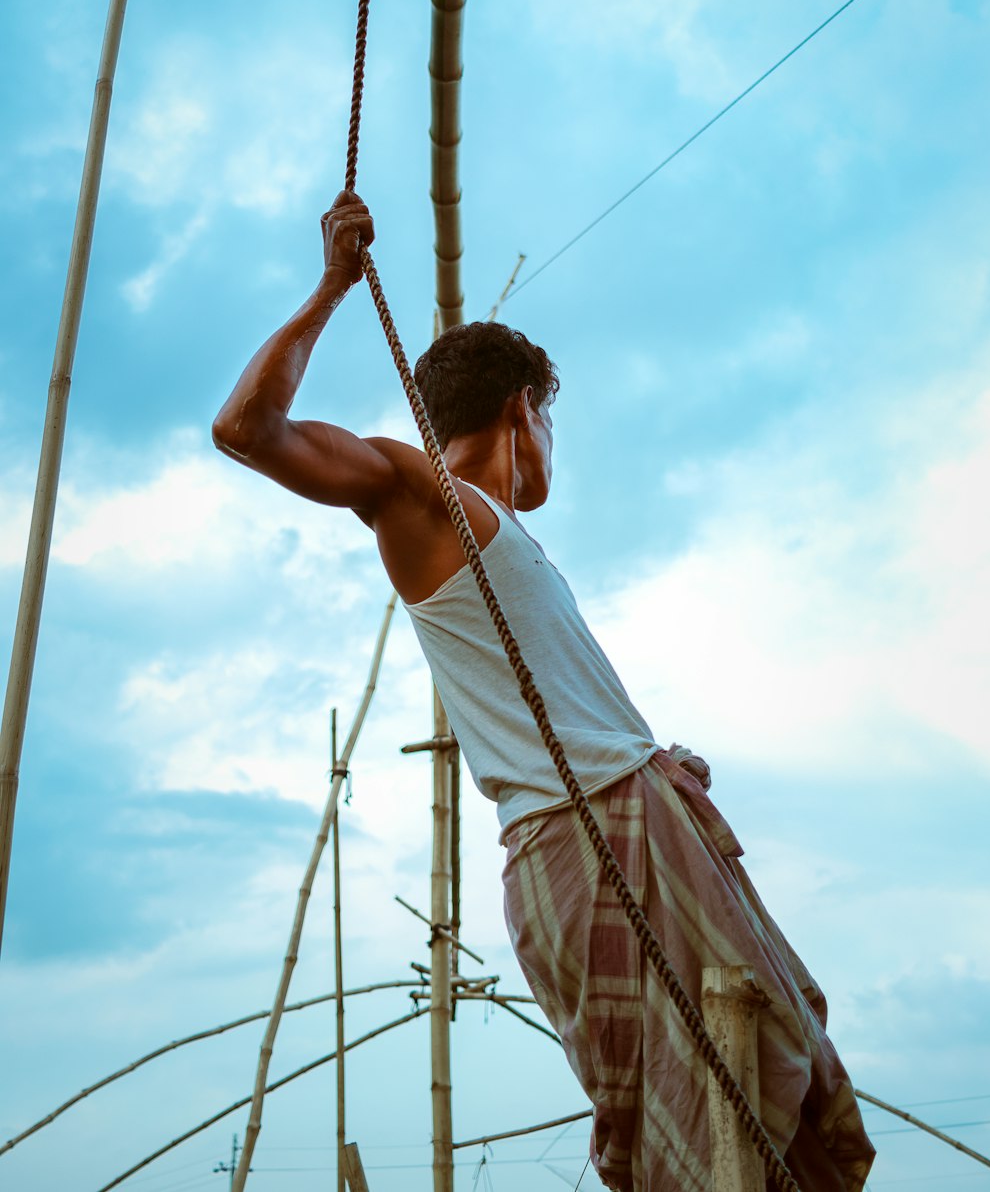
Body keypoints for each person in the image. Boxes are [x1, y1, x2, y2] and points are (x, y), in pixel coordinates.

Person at [213, 189, 875, 1192]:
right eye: (551, 419)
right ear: (526, 409)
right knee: (693, 1125)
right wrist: (330, 289)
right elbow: (246, 430)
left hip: (633, 817)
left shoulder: (502, 539)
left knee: (775, 1076)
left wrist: (652, 762)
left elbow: (563, 712)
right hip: (589, 840)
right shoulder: (424, 498)